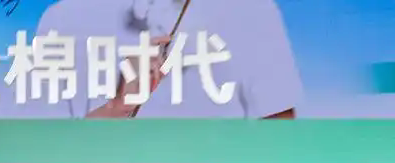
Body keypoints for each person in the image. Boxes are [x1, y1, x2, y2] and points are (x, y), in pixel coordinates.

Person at [31, 0, 302, 119]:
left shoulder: (253, 12)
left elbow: (280, 146)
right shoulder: (63, 19)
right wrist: (116, 108)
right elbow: (38, 161)